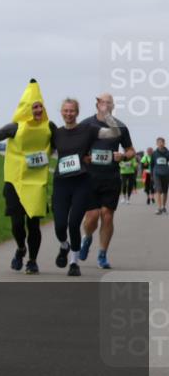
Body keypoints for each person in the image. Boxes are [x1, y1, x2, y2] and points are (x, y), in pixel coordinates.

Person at [0, 80, 55, 275]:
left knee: (34, 224)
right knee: (16, 223)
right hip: (14, 181)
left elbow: (62, 145)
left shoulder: (50, 127)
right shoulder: (14, 127)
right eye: (34, 106)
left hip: (36, 182)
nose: (38, 110)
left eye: (40, 106)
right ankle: (21, 247)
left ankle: (32, 260)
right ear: (26, 109)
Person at [49, 98, 121, 276]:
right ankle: (64, 246)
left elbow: (114, 133)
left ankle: (74, 263)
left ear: (77, 112)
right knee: (59, 226)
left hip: (81, 182)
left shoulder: (87, 130)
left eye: (72, 110)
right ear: (61, 112)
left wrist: (106, 114)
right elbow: (45, 152)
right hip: (61, 183)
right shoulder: (56, 133)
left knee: (74, 224)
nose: (68, 114)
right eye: (65, 110)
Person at [79, 94, 135, 269]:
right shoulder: (86, 124)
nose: (105, 104)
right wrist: (84, 157)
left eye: (108, 102)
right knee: (92, 217)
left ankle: (102, 254)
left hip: (111, 177)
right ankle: (87, 237)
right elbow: (75, 147)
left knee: (107, 215)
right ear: (97, 104)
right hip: (89, 178)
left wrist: (123, 156)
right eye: (102, 101)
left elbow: (131, 150)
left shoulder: (120, 126)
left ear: (112, 105)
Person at [153, 138, 169, 215]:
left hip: (166, 173)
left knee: (165, 191)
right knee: (158, 190)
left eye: (161, 142)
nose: (160, 144)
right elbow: (151, 164)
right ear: (157, 143)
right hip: (157, 174)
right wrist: (152, 174)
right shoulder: (154, 153)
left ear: (164, 143)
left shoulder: (167, 153)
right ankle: (159, 208)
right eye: (158, 142)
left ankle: (163, 207)